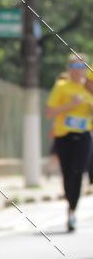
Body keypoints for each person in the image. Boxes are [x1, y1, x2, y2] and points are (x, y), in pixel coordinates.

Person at [46, 54, 93, 231]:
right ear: (69, 68)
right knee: (67, 174)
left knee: (78, 172)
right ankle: (70, 205)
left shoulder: (89, 89)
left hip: (84, 136)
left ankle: (73, 211)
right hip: (63, 136)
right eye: (74, 66)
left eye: (82, 67)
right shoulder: (61, 86)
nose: (78, 70)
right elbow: (49, 112)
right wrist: (71, 105)